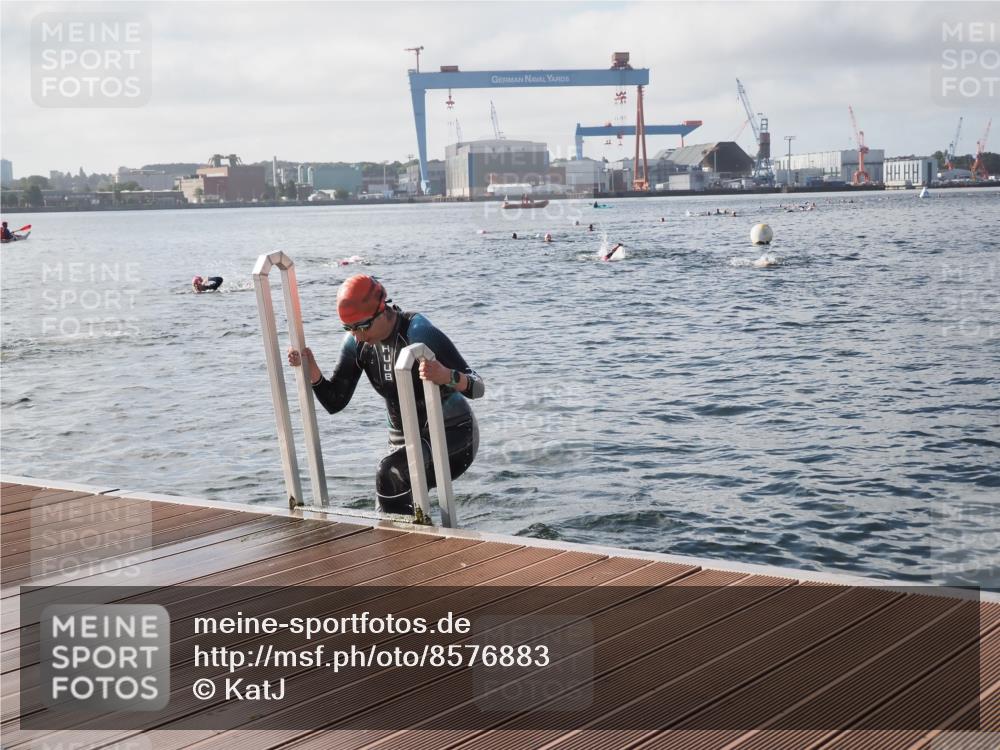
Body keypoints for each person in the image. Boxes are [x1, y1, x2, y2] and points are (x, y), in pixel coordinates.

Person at [287, 274, 485, 516]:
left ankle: (410, 549)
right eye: (348, 328)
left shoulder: (419, 332)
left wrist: (447, 376)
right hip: (404, 443)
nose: (357, 335)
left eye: (362, 327)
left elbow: (477, 386)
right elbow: (335, 401)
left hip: (454, 435)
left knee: (390, 474)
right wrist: (312, 370)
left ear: (383, 310)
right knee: (388, 498)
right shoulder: (357, 343)